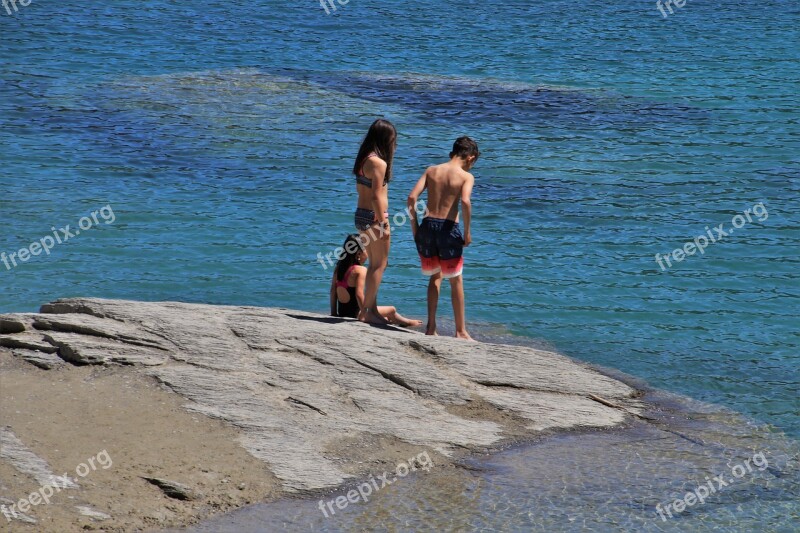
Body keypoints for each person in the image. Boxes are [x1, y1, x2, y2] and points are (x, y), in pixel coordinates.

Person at [407, 137, 479, 340]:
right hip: (448, 228)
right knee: (456, 280)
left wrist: (415, 227)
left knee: (435, 276)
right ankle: (460, 331)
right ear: (470, 157)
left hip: (427, 227)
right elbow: (465, 201)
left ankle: (431, 327)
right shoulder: (466, 177)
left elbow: (412, 198)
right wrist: (467, 233)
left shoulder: (432, 170)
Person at [353, 118, 396, 325]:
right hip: (375, 217)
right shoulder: (379, 162)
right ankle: (367, 312)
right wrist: (384, 224)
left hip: (361, 215)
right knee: (381, 264)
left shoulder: (363, 159)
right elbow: (377, 196)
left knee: (373, 264)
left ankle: (373, 310)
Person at [330, 234, 422, 327]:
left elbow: (333, 291)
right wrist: (364, 314)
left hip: (343, 313)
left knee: (384, 316)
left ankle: (392, 321)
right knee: (391, 310)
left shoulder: (339, 269)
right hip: (357, 313)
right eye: (367, 249)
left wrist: (334, 313)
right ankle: (407, 322)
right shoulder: (360, 270)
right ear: (358, 254)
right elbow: (359, 294)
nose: (369, 253)